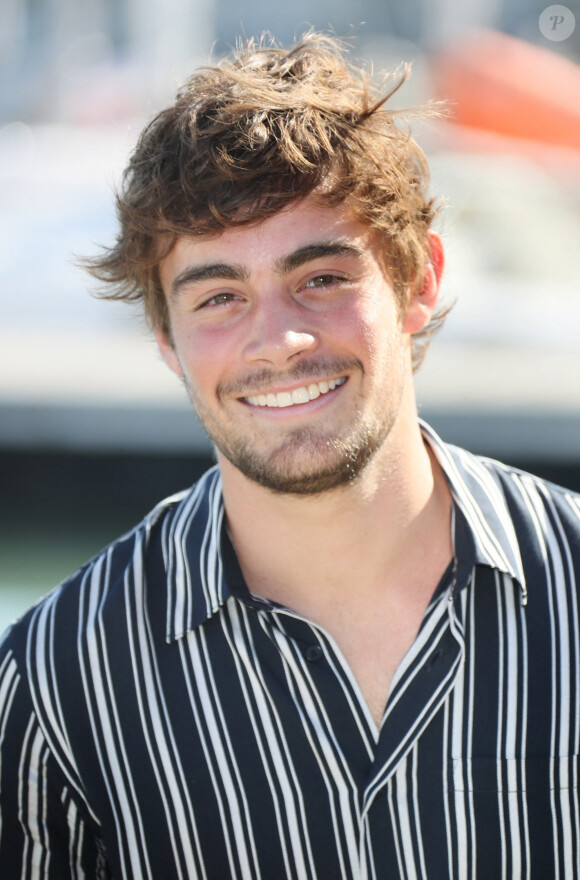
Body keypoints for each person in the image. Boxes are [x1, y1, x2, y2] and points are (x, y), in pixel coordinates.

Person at [1, 32, 579, 880]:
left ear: (418, 280)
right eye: (221, 296)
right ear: (165, 335)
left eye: (322, 279)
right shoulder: (55, 687)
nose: (280, 340)